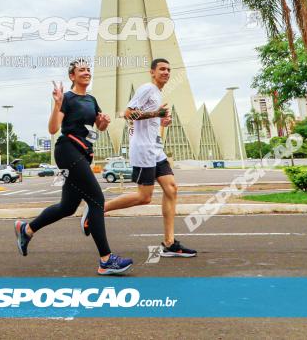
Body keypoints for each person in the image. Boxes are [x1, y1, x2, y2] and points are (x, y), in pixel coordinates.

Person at [14, 59, 134, 275]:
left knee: (67, 207)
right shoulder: (67, 98)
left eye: (88, 69)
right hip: (67, 150)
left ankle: (27, 229)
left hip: (82, 152)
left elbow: (98, 127)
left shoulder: (91, 99)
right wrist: (58, 105)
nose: (86, 72)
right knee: (97, 201)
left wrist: (104, 121)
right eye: (81, 70)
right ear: (72, 76)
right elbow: (52, 129)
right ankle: (106, 260)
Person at [85, 58, 196, 258]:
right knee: (144, 197)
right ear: (152, 72)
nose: (166, 72)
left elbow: (148, 119)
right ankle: (97, 210)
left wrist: (162, 120)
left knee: (171, 189)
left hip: (156, 149)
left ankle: (169, 244)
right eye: (162, 69)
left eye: (169, 70)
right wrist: (156, 112)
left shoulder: (157, 93)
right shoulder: (147, 88)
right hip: (144, 150)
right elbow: (127, 114)